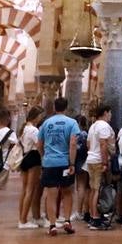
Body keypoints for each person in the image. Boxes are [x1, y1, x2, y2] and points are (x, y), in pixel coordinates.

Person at [37, 96, 81, 235]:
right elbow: (73, 144)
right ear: (66, 108)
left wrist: (44, 156)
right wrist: (72, 163)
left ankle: (52, 225)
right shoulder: (72, 122)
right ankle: (67, 221)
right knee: (67, 192)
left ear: (54, 108)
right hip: (65, 163)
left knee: (51, 195)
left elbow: (39, 144)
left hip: (49, 163)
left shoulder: (46, 123)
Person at [85, 105, 115, 229]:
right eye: (110, 113)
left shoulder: (93, 125)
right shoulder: (104, 126)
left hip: (91, 159)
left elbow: (88, 143)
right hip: (98, 161)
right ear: (105, 112)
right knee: (97, 190)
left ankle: (93, 215)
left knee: (93, 189)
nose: (111, 115)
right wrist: (104, 162)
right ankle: (96, 219)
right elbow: (103, 144)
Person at [16, 107, 44, 229]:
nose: (41, 118)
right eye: (40, 116)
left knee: (24, 190)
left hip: (24, 158)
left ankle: (22, 218)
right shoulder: (33, 130)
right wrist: (44, 157)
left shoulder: (24, 129)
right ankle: (23, 221)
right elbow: (39, 146)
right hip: (33, 158)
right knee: (30, 190)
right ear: (36, 116)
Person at [72, 115, 89, 222]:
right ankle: (85, 210)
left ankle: (79, 211)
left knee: (81, 187)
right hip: (85, 161)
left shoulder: (79, 135)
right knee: (86, 187)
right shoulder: (86, 134)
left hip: (79, 162)